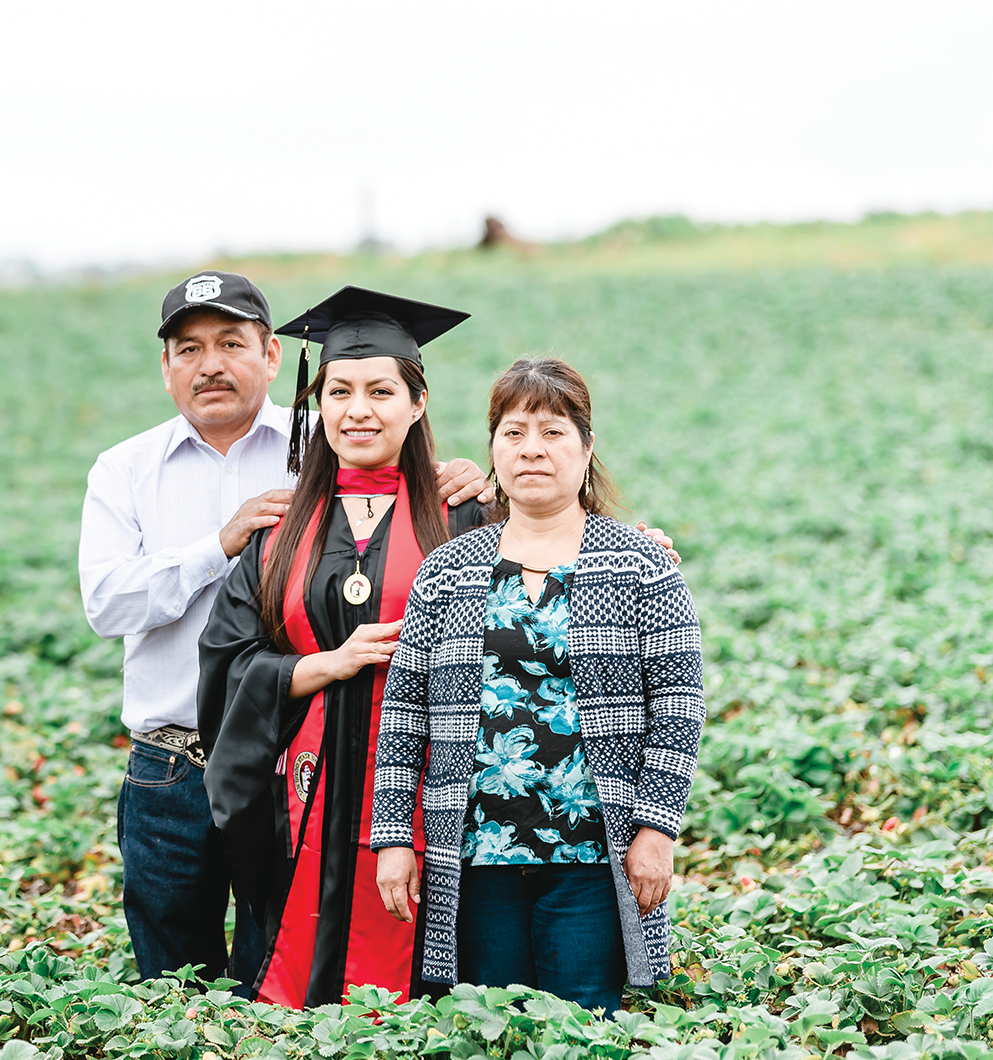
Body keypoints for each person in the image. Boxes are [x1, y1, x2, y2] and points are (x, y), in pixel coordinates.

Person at [78, 272, 491, 993]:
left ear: (273, 356)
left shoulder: (321, 451)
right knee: (179, 982)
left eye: (231, 343)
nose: (210, 364)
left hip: (313, 779)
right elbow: (108, 605)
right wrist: (223, 543)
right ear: (166, 365)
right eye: (188, 348)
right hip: (175, 766)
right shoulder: (126, 470)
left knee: (294, 954)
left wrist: (476, 484)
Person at [371, 357, 705, 1016]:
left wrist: (655, 831)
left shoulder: (640, 566)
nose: (532, 449)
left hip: (590, 853)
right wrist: (391, 838)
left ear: (586, 447)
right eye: (514, 431)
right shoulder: (449, 571)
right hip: (474, 854)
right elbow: (404, 714)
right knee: (490, 1024)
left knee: (582, 1021)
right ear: (493, 448)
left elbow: (678, 711)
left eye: (553, 432)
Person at [196, 286, 491, 1008]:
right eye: (340, 391)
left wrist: (641, 548)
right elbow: (225, 665)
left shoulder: (468, 518)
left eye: (381, 391)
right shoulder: (279, 531)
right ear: (317, 403)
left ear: (416, 404)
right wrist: (316, 666)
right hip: (301, 801)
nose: (358, 410)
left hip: (432, 800)